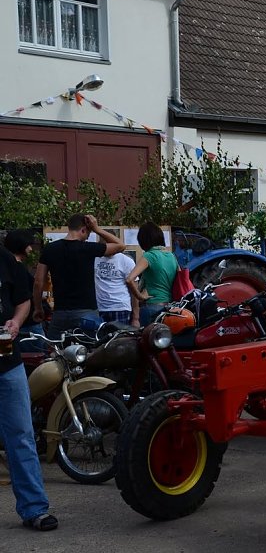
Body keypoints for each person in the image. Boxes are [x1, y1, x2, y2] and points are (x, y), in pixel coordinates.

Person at [0, 244, 58, 531]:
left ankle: (35, 509)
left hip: (7, 364)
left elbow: (22, 301)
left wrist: (16, 321)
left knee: (21, 436)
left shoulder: (4, 259)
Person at [33, 214, 124, 339]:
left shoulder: (50, 249)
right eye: (88, 234)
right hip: (87, 311)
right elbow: (120, 245)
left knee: (55, 351)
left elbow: (38, 282)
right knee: (89, 351)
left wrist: (38, 308)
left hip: (60, 312)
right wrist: (97, 229)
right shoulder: (88, 248)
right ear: (83, 230)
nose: (87, 238)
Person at [126, 222, 178, 325]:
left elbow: (129, 279)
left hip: (152, 308)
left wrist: (140, 296)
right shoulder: (171, 256)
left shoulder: (149, 256)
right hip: (170, 308)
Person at [4, 230, 45, 341]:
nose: (31, 249)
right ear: (20, 245)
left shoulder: (10, 267)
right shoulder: (17, 267)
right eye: (28, 245)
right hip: (27, 324)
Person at [94, 245, 138, 326]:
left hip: (120, 308)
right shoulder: (95, 259)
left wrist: (135, 318)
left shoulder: (126, 261)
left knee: (119, 338)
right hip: (99, 309)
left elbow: (134, 290)